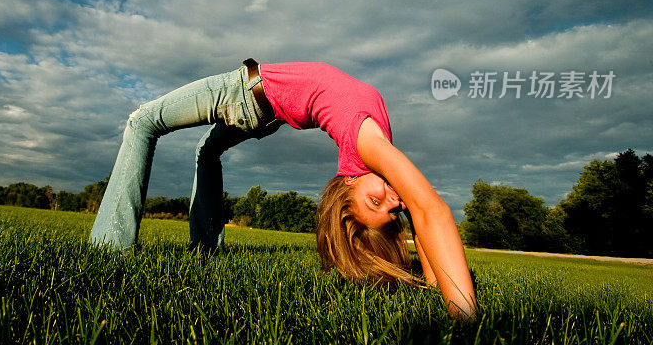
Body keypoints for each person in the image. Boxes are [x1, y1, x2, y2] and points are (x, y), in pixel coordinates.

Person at [90, 59, 477, 319]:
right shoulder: (381, 163)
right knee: (207, 152)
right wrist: (433, 282)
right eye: (388, 206)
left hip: (245, 93)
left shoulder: (366, 151)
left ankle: (108, 251)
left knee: (142, 122)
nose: (394, 199)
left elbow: (432, 211)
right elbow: (419, 211)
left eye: (378, 203)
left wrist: (464, 320)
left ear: (350, 182)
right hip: (268, 111)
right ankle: (204, 251)